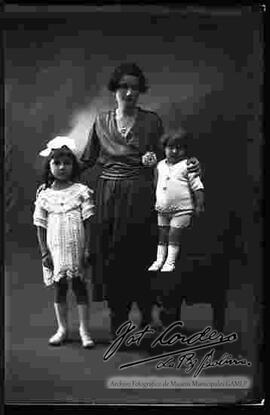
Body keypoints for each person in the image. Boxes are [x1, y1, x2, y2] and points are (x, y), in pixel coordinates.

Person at [80, 62, 201, 335]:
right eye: (124, 86)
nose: (129, 92)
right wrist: (56, 176)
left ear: (141, 91)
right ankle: (118, 319)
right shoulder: (101, 121)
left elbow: (169, 158)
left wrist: (157, 160)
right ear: (115, 89)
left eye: (135, 88)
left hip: (142, 194)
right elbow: (87, 159)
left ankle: (146, 314)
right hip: (109, 195)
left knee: (141, 254)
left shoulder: (152, 121)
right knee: (112, 257)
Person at [33, 136, 95, 348]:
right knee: (59, 288)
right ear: (49, 165)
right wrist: (44, 253)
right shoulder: (44, 195)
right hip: (55, 248)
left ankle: (84, 330)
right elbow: (40, 225)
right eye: (56, 163)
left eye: (66, 163)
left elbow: (89, 223)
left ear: (73, 166)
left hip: (76, 247)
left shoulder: (81, 191)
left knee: (79, 287)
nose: (61, 167)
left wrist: (87, 249)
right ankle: (62, 329)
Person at [148, 128, 205, 273]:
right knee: (162, 235)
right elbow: (157, 183)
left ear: (185, 150)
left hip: (182, 209)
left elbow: (198, 187)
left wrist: (199, 205)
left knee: (174, 234)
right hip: (162, 209)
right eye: (170, 147)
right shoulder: (160, 165)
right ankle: (159, 260)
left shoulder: (188, 165)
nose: (174, 151)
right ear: (164, 148)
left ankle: (170, 262)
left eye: (179, 148)